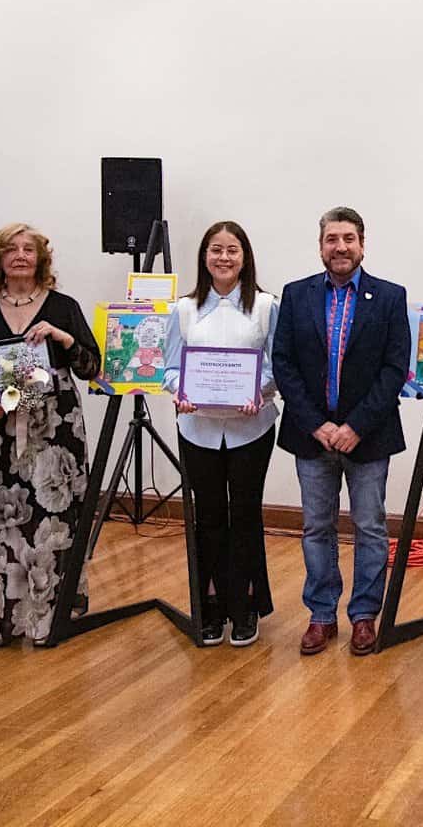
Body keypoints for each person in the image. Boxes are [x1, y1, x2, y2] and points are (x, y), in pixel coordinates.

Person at [0, 223, 100, 647]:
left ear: (41, 258)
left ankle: (48, 616)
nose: (20, 255)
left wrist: (62, 337)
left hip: (53, 432)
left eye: (28, 249)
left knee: (50, 521)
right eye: (11, 249)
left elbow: (90, 367)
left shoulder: (63, 306)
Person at [271, 207, 409, 657]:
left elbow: (394, 369)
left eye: (349, 238)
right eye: (332, 239)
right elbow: (283, 363)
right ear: (321, 247)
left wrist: (355, 426)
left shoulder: (390, 297)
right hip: (311, 434)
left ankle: (364, 615)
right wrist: (317, 424)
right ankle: (322, 615)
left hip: (368, 435)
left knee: (370, 527)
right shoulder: (296, 295)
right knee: (316, 528)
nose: (341, 247)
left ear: (362, 244)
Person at [162, 221, 280, 647]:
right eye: (216, 249)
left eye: (232, 250)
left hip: (252, 429)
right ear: (204, 257)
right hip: (198, 430)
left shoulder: (266, 306)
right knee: (208, 516)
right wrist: (181, 392)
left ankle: (245, 604)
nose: (224, 257)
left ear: (245, 257)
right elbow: (169, 368)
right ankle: (210, 604)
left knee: (245, 515)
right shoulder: (183, 309)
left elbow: (275, 365)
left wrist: (259, 392)